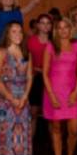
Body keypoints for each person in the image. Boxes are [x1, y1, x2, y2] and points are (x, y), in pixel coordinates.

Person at [0, 22, 33, 155]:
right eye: (14, 32)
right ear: (7, 34)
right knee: (3, 134)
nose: (18, 35)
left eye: (20, 31)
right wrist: (11, 98)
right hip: (4, 100)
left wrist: (25, 96)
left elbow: (30, 76)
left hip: (22, 99)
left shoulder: (26, 52)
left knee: (19, 134)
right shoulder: (0, 52)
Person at [43, 17, 77, 155]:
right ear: (56, 30)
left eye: (66, 27)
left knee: (74, 130)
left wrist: (75, 91)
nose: (63, 30)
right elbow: (45, 74)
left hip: (72, 92)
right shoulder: (51, 46)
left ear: (70, 29)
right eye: (59, 27)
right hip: (53, 92)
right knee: (56, 128)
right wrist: (52, 96)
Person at [26, 13, 52, 145]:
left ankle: (54, 145)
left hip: (51, 79)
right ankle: (29, 145)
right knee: (34, 112)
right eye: (42, 22)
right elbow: (27, 62)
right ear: (38, 25)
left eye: (48, 23)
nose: (45, 25)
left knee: (51, 113)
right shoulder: (31, 41)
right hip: (35, 78)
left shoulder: (54, 42)